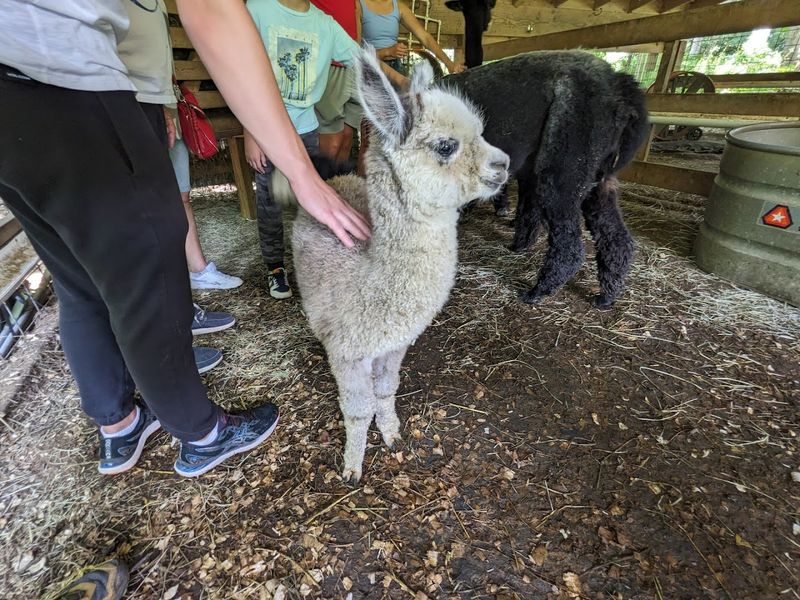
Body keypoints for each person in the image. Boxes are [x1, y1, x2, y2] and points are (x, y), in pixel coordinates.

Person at [0, 0, 369, 478]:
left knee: (79, 279)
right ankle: (200, 433)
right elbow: (213, 9)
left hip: (16, 95)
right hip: (69, 81)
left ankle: (120, 423)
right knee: (151, 263)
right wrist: (302, 173)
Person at [243, 0, 363, 300]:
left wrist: (404, 84)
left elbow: (362, 60)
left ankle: (311, 263)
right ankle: (275, 267)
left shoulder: (325, 24)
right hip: (265, 127)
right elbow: (242, 73)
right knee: (269, 200)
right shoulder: (259, 8)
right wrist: (250, 132)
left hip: (306, 128)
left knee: (310, 199)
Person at [359, 0, 466, 76]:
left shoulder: (398, 6)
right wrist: (387, 52)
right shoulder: (359, 4)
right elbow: (355, 50)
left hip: (395, 67)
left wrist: (450, 64)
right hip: (369, 67)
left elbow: (425, 37)